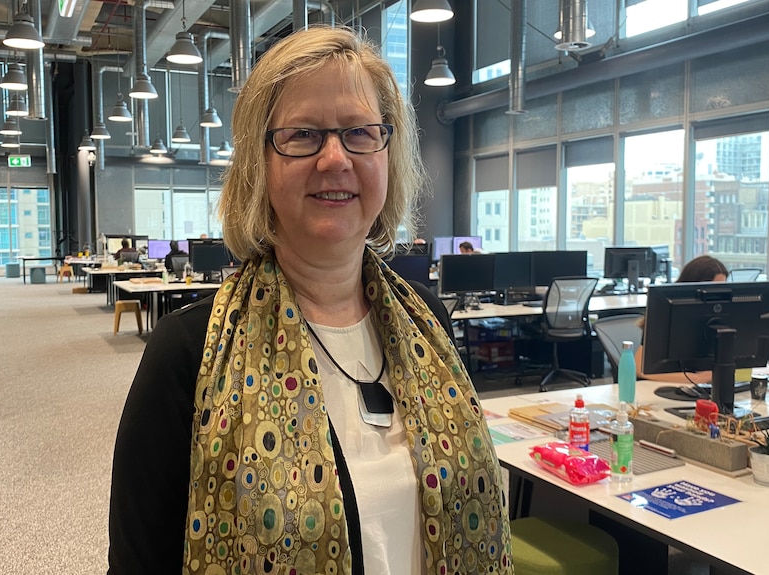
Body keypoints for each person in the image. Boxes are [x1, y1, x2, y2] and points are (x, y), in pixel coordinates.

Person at [108, 26, 512, 575]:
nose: (334, 158)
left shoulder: (430, 324)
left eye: (359, 133)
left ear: (387, 155)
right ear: (259, 162)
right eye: (302, 135)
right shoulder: (187, 354)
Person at [635, 254, 729, 383]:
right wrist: (697, 378)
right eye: (714, 289)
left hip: (706, 389)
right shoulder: (667, 313)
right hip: (664, 389)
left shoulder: (719, 318)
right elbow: (639, 367)